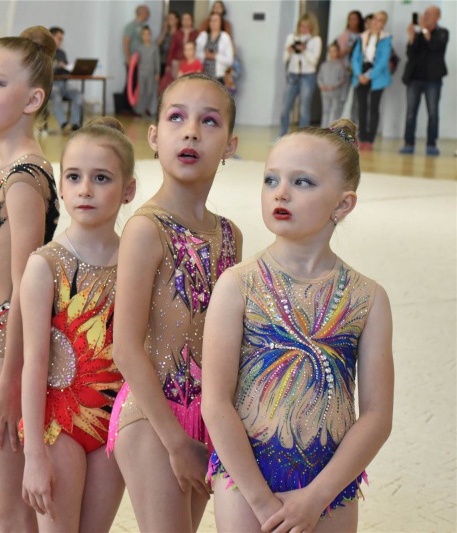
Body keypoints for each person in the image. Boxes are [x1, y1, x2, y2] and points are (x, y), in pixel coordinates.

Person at [203, 119, 394, 533]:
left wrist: (316, 496)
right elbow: (215, 402)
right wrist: (260, 500)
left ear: (343, 205)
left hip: (329, 485)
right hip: (245, 479)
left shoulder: (368, 298)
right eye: (271, 179)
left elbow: (377, 415)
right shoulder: (237, 285)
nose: (281, 192)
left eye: (302, 182)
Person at [107, 73, 242, 533]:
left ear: (230, 144)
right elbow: (125, 347)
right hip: (153, 415)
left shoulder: (230, 235)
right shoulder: (146, 229)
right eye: (177, 118)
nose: (191, 132)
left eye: (209, 121)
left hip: (207, 416)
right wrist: (175, 440)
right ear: (154, 136)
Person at [0, 26, 60, 532]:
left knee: (12, 509)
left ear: (33, 99)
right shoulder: (4, 169)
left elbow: (26, 283)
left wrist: (8, 378)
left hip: (7, 349)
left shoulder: (23, 177)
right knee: (9, 505)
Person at [20, 117, 136, 531]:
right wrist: (33, 454)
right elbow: (34, 363)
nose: (85, 189)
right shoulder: (45, 265)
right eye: (74, 177)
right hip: (58, 421)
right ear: (62, 187)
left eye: (101, 178)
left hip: (115, 419)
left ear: (128, 190)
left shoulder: (137, 264)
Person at [399, 6, 449, 156]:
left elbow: (435, 46)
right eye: (425, 13)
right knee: (410, 113)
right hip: (414, 78)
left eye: (430, 14)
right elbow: (410, 53)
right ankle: (408, 143)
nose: (426, 16)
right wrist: (411, 36)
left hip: (433, 79)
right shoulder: (419, 33)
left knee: (433, 113)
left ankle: (431, 144)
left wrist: (424, 30)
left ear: (438, 17)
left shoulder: (443, 33)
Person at [351, 11, 392, 151]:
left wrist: (370, 76)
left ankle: (370, 139)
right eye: (375, 19)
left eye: (380, 20)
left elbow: (383, 61)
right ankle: (362, 137)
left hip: (377, 76)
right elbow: (355, 57)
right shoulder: (362, 37)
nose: (376, 22)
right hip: (361, 74)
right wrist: (359, 74)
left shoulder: (386, 39)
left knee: (374, 107)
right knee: (361, 107)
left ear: (383, 24)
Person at [279, 13, 322, 136]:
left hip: (308, 76)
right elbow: (285, 59)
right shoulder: (291, 37)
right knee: (285, 108)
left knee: (304, 109)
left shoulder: (316, 40)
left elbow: (314, 61)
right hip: (292, 75)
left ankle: (303, 137)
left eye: (307, 26)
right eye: (301, 26)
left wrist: (304, 50)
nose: (303, 29)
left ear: (312, 27)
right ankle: (282, 134)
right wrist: (289, 51)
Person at [49, 27, 83, 132]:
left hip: (64, 84)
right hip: (52, 84)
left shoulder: (62, 53)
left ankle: (75, 124)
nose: (61, 41)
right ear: (51, 37)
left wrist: (72, 68)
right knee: (56, 95)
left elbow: (66, 70)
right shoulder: (44, 52)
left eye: (62, 39)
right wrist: (56, 66)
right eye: (59, 38)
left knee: (78, 94)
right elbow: (43, 70)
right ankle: (63, 124)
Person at [336, 11, 364, 121]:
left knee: (357, 101)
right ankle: (335, 125)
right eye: (350, 19)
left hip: (358, 72)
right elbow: (336, 54)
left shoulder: (363, 35)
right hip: (346, 70)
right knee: (341, 99)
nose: (352, 21)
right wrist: (348, 49)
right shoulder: (343, 36)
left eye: (355, 19)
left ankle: (353, 126)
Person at [160, 12, 199, 93]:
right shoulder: (177, 33)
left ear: (192, 21)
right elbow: (172, 49)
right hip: (177, 61)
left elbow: (198, 48)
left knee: (190, 84)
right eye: (184, 19)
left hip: (191, 62)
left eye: (188, 19)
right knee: (176, 84)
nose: (186, 21)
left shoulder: (196, 33)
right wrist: (168, 64)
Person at [196, 13, 234, 83]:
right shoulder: (203, 35)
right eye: (211, 20)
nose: (213, 23)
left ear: (220, 23)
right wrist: (205, 55)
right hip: (203, 75)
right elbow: (195, 54)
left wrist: (215, 56)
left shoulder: (225, 37)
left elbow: (229, 60)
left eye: (216, 20)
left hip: (218, 76)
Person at [318, 42, 349, 127]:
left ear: (338, 52)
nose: (332, 53)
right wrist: (321, 85)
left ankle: (333, 129)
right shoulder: (324, 65)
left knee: (335, 111)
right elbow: (320, 77)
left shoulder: (341, 65)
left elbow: (342, 78)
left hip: (335, 93)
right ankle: (324, 129)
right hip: (325, 92)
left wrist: (334, 86)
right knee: (325, 111)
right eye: (330, 51)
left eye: (334, 51)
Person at [135, 26, 160, 117]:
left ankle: (147, 108)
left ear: (150, 35)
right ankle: (139, 110)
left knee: (150, 91)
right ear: (142, 36)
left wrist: (157, 73)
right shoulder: (139, 48)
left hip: (151, 73)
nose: (146, 36)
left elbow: (157, 61)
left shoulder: (154, 47)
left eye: (148, 34)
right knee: (142, 92)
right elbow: (138, 61)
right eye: (144, 34)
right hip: (142, 73)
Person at [157, 11, 180, 76]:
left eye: (172, 18)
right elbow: (157, 44)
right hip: (162, 60)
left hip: (173, 61)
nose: (170, 20)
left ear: (177, 20)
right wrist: (164, 30)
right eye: (169, 18)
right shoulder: (166, 32)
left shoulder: (179, 32)